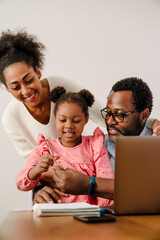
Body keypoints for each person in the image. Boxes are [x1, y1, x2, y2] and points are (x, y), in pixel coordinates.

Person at [33, 77, 160, 203]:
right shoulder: (96, 148)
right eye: (108, 113)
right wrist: (40, 191)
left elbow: (149, 191)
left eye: (119, 115)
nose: (109, 121)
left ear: (144, 115)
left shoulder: (156, 144)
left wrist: (90, 184)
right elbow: (68, 181)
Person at [0, 29, 104, 162]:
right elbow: (33, 163)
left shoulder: (59, 84)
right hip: (54, 175)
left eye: (29, 80)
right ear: (8, 89)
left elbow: (102, 115)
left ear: (37, 72)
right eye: (15, 87)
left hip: (86, 160)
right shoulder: (11, 118)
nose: (26, 91)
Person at [16, 86, 114, 206]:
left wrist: (104, 214)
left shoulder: (94, 146)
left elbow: (106, 182)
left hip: (88, 215)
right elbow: (21, 183)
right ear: (55, 118)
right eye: (63, 120)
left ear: (86, 119)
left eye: (76, 120)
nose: (69, 126)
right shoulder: (45, 148)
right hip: (55, 216)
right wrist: (36, 170)